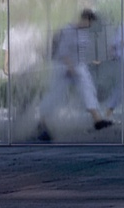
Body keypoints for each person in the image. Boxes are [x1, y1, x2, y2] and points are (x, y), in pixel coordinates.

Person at [35, 8, 112, 141]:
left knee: (88, 89)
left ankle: (97, 120)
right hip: (63, 67)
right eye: (90, 22)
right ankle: (42, 121)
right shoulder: (68, 30)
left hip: (78, 66)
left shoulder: (83, 32)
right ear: (85, 19)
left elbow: (80, 50)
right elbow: (63, 50)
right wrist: (70, 66)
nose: (90, 26)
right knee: (56, 94)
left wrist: (90, 61)